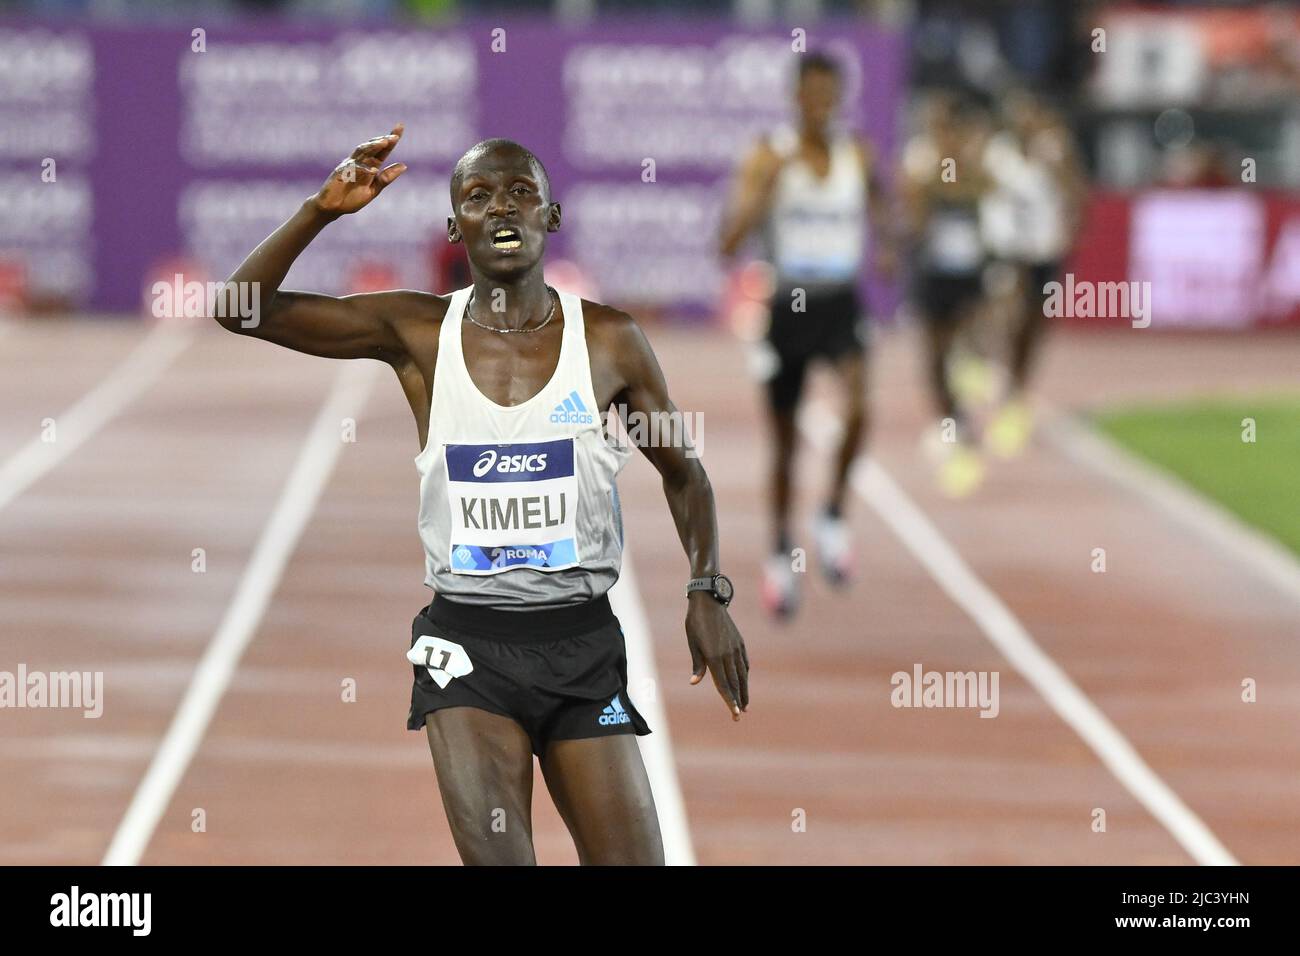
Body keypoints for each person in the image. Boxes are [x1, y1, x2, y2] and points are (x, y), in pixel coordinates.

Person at [212, 126, 749, 866]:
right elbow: (241, 309)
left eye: (521, 192)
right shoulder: (417, 332)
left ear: (551, 217)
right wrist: (320, 211)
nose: (501, 207)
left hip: (582, 647)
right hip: (466, 653)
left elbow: (685, 474)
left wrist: (707, 590)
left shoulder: (610, 342)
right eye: (478, 195)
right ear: (454, 225)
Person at [718, 51, 892, 619]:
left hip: (840, 302)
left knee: (860, 406)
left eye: (830, 95)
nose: (821, 104)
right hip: (788, 304)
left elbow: (885, 210)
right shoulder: (768, 155)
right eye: (811, 93)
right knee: (786, 445)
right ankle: (778, 551)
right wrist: (764, 190)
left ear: (839, 98)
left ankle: (833, 514)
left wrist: (889, 246)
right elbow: (726, 244)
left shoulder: (856, 153)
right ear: (796, 97)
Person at [979, 91, 1087, 457]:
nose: (1024, 122)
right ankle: (989, 367)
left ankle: (1016, 387)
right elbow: (976, 188)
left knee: (1034, 324)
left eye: (1031, 115)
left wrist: (1071, 224)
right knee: (1008, 311)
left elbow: (1075, 191)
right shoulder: (997, 153)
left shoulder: (1054, 149)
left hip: (1044, 249)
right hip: (1006, 250)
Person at [899, 91, 993, 497]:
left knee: (968, 343)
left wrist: (949, 178)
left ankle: (966, 413)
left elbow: (980, 191)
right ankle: (953, 421)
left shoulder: (972, 160)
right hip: (933, 271)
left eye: (945, 124)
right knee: (935, 358)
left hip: (968, 272)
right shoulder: (921, 159)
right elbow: (915, 208)